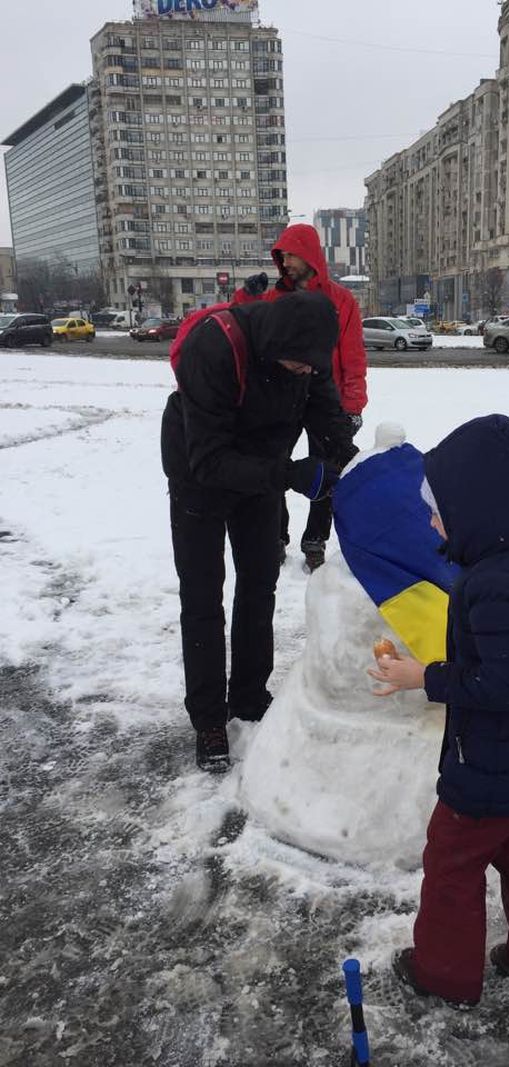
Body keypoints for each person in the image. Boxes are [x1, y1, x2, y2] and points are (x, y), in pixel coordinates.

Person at [368, 414, 509, 1008]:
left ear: (475, 507)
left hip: (492, 768)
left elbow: (502, 684)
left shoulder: (490, 585)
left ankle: (444, 973)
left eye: (438, 509)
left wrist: (424, 676)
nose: (432, 522)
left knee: (450, 865)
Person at [161, 291, 357, 773]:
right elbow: (208, 459)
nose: (306, 374)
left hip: (262, 472)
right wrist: (289, 475)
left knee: (259, 583)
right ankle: (208, 718)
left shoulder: (305, 354)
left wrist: (357, 464)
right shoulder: (215, 347)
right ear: (274, 347)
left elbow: (327, 415)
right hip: (198, 475)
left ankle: (249, 695)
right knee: (204, 595)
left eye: (313, 367)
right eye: (297, 367)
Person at [232, 223, 367, 571]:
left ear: (310, 255)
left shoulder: (342, 300)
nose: (286, 262)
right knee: (275, 463)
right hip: (283, 396)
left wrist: (352, 405)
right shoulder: (276, 297)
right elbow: (245, 323)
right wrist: (247, 295)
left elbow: (353, 356)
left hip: (326, 400)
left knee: (327, 471)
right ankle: (276, 535)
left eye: (292, 254)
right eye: (282, 256)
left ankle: (315, 540)